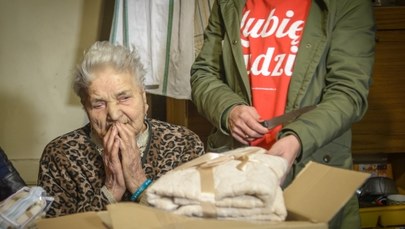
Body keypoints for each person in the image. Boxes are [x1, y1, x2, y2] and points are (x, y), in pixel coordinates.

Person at [190, 0, 375, 228]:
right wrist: (229, 109)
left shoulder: (348, 4)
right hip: (236, 168)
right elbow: (203, 73)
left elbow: (348, 92)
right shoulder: (229, 3)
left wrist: (298, 138)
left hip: (312, 169)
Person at [37, 41, 205, 217]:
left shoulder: (184, 144)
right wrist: (111, 191)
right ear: (85, 107)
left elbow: (196, 221)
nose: (114, 114)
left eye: (124, 98)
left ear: (144, 98)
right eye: (99, 104)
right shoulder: (60, 154)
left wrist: (139, 182)